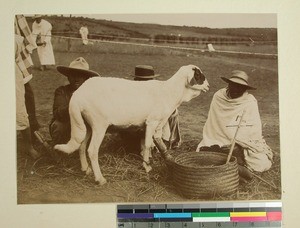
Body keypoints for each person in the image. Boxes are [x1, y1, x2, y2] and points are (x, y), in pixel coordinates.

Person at [196, 70, 273, 181]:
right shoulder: (219, 96)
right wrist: (221, 141)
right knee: (203, 154)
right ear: (228, 84)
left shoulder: (249, 102)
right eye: (233, 86)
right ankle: (234, 164)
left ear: (245, 89)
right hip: (217, 139)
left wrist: (238, 143)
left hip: (240, 143)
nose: (236, 90)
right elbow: (213, 124)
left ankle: (234, 163)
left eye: (240, 87)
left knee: (260, 163)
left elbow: (253, 130)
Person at [119, 65, 181, 154]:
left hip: (144, 129)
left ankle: (169, 141)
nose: (147, 83)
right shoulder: (132, 94)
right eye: (144, 81)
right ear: (137, 81)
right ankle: (155, 146)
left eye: (149, 81)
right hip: (134, 132)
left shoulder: (152, 92)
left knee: (173, 112)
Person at [49, 57, 100, 145]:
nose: (77, 78)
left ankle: (86, 147)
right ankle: (62, 148)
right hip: (68, 125)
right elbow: (58, 113)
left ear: (86, 78)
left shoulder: (92, 93)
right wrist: (75, 104)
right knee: (59, 125)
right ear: (68, 77)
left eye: (81, 75)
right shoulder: (62, 91)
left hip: (85, 126)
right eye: (73, 75)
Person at [15, 15, 41, 145]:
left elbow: (24, 31)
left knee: (26, 95)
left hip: (15, 56)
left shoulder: (16, 14)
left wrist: (28, 46)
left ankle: (32, 130)